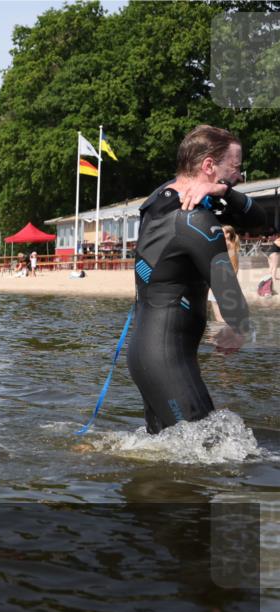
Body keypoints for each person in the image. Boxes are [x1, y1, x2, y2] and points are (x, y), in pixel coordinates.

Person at [127, 125, 274, 435]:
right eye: (234, 167)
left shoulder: (163, 199)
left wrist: (223, 191)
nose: (239, 176)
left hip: (148, 351)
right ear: (209, 165)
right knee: (211, 448)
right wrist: (239, 328)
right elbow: (226, 287)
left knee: (166, 455)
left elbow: (260, 221)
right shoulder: (195, 220)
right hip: (166, 359)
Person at [209, 225, 240, 322]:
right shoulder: (233, 245)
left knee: (219, 318)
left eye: (221, 232)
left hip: (219, 284)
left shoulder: (226, 245)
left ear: (228, 234)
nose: (219, 234)